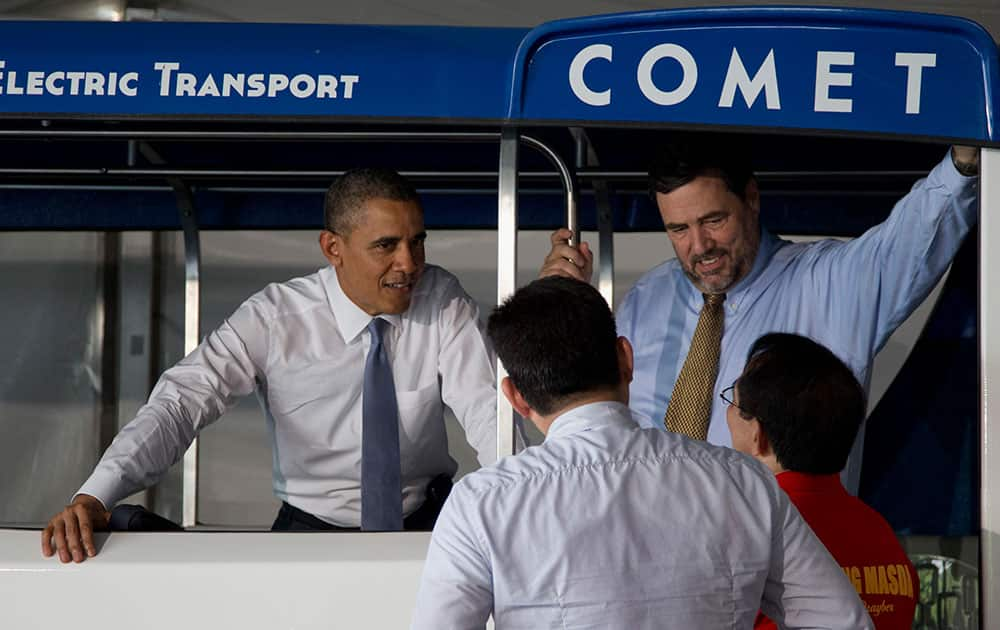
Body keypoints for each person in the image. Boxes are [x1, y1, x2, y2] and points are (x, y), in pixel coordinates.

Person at [42, 167, 502, 562]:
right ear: (332, 248)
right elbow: (180, 403)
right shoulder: (273, 317)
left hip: (428, 522)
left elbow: (488, 411)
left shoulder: (441, 300)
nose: (409, 263)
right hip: (308, 533)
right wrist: (95, 494)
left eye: (417, 241)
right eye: (386, 245)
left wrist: (529, 500)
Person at [411, 276, 871, 629]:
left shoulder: (482, 504)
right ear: (626, 359)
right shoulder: (742, 482)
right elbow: (842, 622)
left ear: (516, 397)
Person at [540, 137, 978, 483]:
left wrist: (962, 165)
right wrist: (560, 311)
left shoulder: (829, 282)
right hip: (658, 565)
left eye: (714, 221)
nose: (699, 246)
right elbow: (595, 419)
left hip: (779, 574)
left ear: (751, 198)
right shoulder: (647, 296)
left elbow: (912, 240)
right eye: (678, 229)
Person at [725, 333, 918, 629]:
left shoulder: (747, 530)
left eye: (733, 403)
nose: (727, 415)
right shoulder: (880, 533)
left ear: (757, 435)